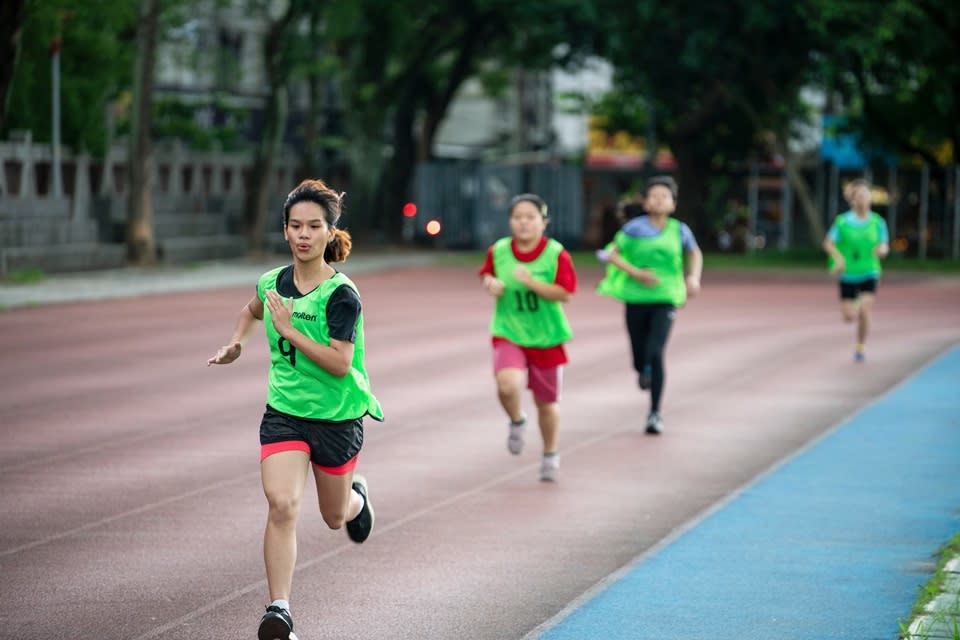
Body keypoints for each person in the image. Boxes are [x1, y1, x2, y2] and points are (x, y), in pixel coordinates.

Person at [207, 178, 383, 640]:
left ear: (330, 232)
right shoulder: (272, 282)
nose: (304, 234)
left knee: (331, 515)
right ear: (285, 231)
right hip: (284, 412)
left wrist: (289, 332)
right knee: (282, 504)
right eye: (295, 226)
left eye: (314, 226)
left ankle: (357, 499)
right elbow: (250, 311)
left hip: (337, 417)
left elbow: (341, 364)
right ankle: (279, 610)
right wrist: (235, 344)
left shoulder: (341, 294)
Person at [479, 193, 577, 482]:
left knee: (546, 404)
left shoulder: (556, 254)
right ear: (511, 221)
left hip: (547, 336)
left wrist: (532, 282)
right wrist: (491, 284)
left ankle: (550, 453)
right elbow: (487, 275)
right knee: (507, 385)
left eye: (530, 217)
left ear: (543, 222)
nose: (523, 223)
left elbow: (565, 293)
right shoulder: (499, 250)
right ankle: (516, 420)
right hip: (509, 331)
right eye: (517, 217)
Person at [596, 176, 702, 435]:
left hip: (666, 297)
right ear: (645, 202)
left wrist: (693, 277)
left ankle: (654, 413)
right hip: (636, 298)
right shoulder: (633, 229)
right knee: (639, 354)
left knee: (656, 351)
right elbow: (609, 255)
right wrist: (636, 273)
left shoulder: (679, 231)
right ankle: (641, 368)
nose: (658, 200)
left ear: (673, 204)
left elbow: (694, 253)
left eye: (664, 196)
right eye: (653, 196)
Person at [822, 178, 890, 362]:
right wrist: (837, 257)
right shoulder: (842, 222)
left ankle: (860, 346)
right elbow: (828, 243)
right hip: (848, 274)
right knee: (849, 317)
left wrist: (882, 250)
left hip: (870, 271)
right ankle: (854, 310)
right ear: (852, 200)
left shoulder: (878, 222)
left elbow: (884, 244)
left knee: (864, 310)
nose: (863, 199)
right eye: (858, 196)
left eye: (866, 195)